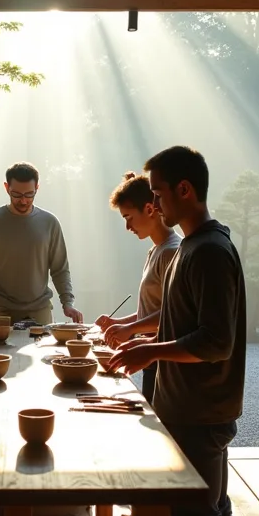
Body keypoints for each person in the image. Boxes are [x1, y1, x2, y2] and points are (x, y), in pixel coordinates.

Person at [108, 146, 246, 516]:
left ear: (185, 189)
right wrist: (145, 340)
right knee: (215, 512)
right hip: (192, 407)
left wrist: (151, 352)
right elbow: (181, 322)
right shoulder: (191, 246)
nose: (155, 203)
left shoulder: (209, 251)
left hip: (200, 410)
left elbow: (216, 342)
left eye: (159, 192)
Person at [96, 172, 181, 404]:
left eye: (129, 218)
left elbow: (174, 315)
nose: (127, 227)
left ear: (150, 209)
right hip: (150, 355)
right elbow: (154, 307)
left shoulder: (171, 252)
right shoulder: (156, 250)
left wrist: (131, 328)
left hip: (164, 357)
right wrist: (120, 323)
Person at [0, 162, 82, 325]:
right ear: (6, 188)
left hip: (39, 310)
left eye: (29, 194)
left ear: (37, 189)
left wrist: (68, 303)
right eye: (17, 195)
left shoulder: (49, 222)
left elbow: (60, 269)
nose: (24, 201)